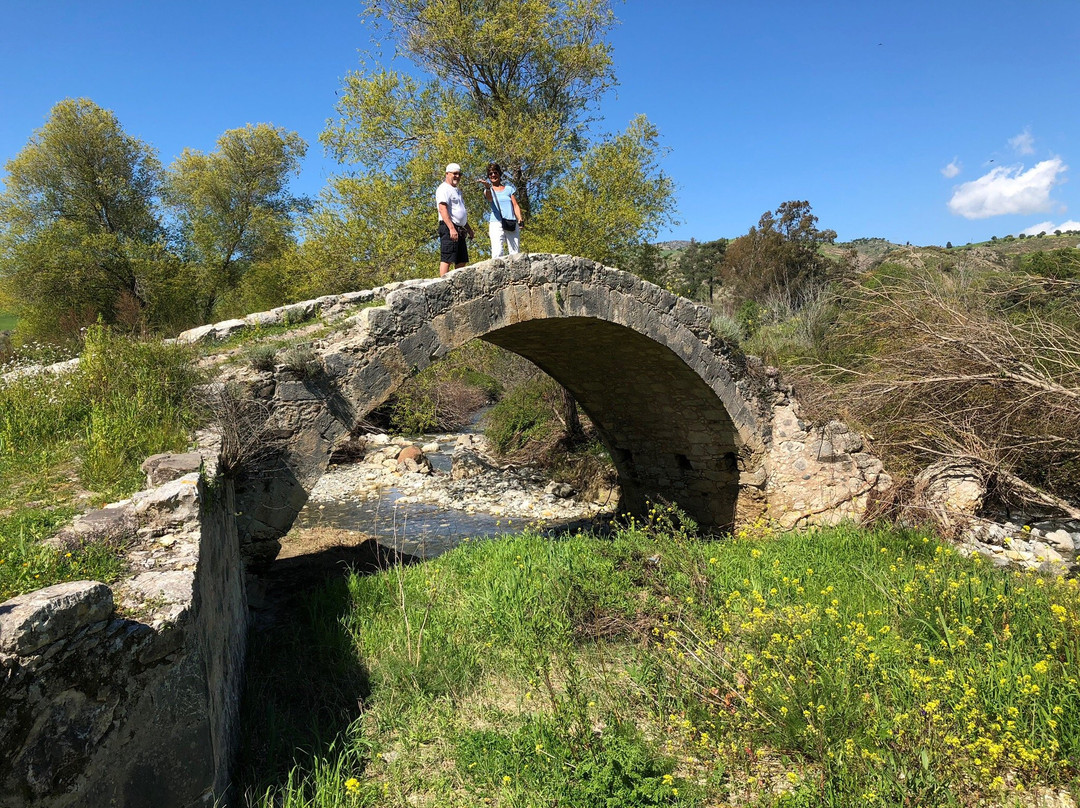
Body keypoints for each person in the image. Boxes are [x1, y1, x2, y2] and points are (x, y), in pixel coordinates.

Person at [436, 162, 474, 276]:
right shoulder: (443, 188)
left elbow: (460, 211)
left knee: (461, 259)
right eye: (455, 174)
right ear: (447, 174)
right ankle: (443, 283)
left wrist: (469, 229)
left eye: (459, 174)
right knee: (447, 257)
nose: (457, 176)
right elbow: (442, 209)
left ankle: (456, 283)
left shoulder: (457, 190)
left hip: (459, 228)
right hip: (449, 227)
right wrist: (451, 228)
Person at [480, 162, 523, 258]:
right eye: (490, 174)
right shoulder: (488, 191)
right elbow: (489, 198)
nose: (493, 175)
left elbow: (515, 205)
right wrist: (487, 187)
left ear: (499, 174)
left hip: (511, 222)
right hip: (496, 222)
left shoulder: (509, 189)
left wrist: (520, 219)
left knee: (515, 252)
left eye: (495, 172)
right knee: (497, 252)